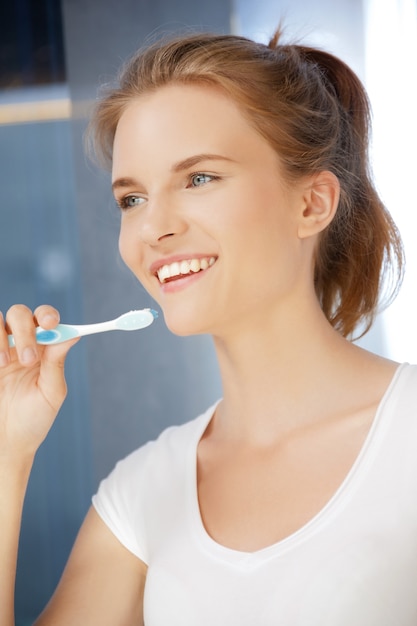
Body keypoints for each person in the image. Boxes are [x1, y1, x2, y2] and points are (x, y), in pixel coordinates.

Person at [0, 28, 415, 626]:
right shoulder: (144, 492)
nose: (154, 228)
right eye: (132, 199)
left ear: (312, 204)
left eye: (199, 179)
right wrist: (8, 453)